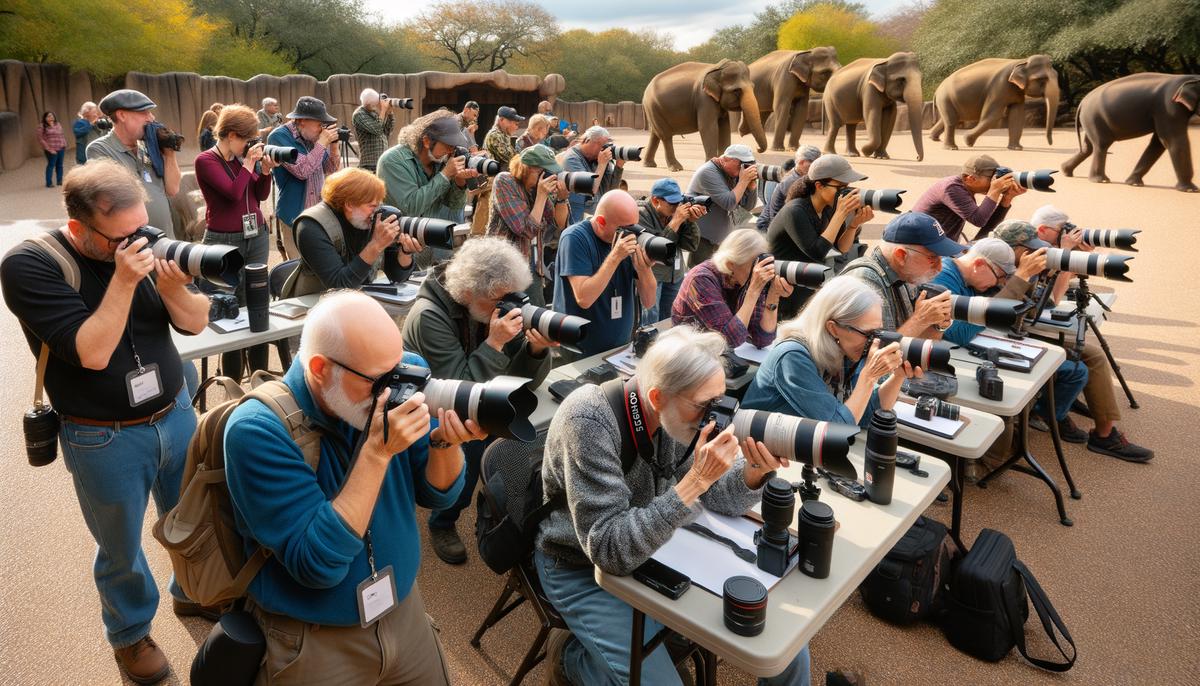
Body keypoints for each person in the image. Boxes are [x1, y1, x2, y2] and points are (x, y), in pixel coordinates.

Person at [0, 161, 211, 684]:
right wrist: (124, 280)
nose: (139, 242)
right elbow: (91, 353)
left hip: (175, 411)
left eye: (142, 228)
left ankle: (192, 592)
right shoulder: (30, 266)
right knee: (120, 546)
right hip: (102, 435)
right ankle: (130, 634)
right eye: (122, 237)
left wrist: (170, 286)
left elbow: (194, 320)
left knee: (193, 517)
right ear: (79, 228)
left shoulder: (139, 241)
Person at [224, 291, 485, 685]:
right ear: (319, 369)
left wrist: (446, 442)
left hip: (403, 611)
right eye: (380, 380)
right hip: (314, 637)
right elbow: (317, 565)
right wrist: (377, 454)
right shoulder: (257, 430)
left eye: (398, 367)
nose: (394, 388)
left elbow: (437, 496)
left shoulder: (399, 373)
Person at [536, 326, 811, 686]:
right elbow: (607, 549)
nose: (713, 418)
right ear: (657, 396)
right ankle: (572, 659)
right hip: (576, 564)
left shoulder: (676, 414)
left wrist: (755, 472)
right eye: (703, 406)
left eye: (720, 400)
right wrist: (695, 481)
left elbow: (716, 495)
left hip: (654, 549)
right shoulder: (588, 420)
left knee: (789, 649)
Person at [403, 237, 556, 563]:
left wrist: (536, 349)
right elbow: (459, 394)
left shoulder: (489, 305)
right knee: (471, 440)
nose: (508, 307)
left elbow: (522, 382)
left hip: (480, 391)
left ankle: (506, 510)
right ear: (470, 293)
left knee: (528, 431)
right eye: (500, 300)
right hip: (428, 406)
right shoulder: (428, 316)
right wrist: (496, 342)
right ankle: (443, 518)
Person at [994, 216, 1152, 461]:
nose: (1038, 252)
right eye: (1030, 248)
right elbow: (1008, 315)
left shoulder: (1026, 266)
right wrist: (1030, 273)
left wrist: (1064, 264)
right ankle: (1049, 413)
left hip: (1024, 333)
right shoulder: (1000, 267)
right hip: (1010, 340)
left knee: (1094, 354)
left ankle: (1104, 433)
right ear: (1012, 249)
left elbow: (1046, 303)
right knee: (1078, 366)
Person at [930, 238, 1089, 432]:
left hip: (985, 344)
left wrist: (1028, 277)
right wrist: (1018, 279)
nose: (999, 283)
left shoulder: (970, 277)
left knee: (1073, 368)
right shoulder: (942, 278)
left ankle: (1032, 418)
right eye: (1000, 277)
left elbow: (1034, 306)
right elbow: (959, 334)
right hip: (959, 355)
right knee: (1072, 371)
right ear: (979, 264)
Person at [743, 276, 919, 428]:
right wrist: (869, 377)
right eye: (868, 333)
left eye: (878, 332)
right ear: (833, 328)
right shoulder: (793, 356)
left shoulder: (846, 347)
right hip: (757, 454)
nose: (875, 341)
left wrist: (898, 376)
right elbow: (837, 428)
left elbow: (865, 415)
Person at [193, 104, 278, 380]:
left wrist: (265, 171)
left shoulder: (242, 160)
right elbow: (232, 192)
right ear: (230, 135)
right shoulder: (206, 161)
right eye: (245, 139)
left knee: (256, 307)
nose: (249, 145)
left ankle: (260, 378)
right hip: (223, 242)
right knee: (231, 309)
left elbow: (259, 195)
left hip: (256, 237)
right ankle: (232, 382)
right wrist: (250, 163)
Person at [553, 190, 658, 360]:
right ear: (601, 221)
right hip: (581, 350)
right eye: (624, 228)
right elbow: (584, 298)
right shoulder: (574, 238)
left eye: (635, 226)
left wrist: (644, 268)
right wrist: (615, 257)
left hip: (622, 349)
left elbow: (649, 301)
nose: (632, 233)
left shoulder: (628, 240)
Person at [283, 167, 418, 297]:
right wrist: (375, 245)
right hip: (311, 308)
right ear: (349, 204)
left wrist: (405, 253)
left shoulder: (368, 219)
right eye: (372, 206)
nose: (377, 211)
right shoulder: (311, 225)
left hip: (357, 303)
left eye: (379, 205)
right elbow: (340, 286)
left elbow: (397, 277)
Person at [767, 154, 873, 318]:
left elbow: (839, 249)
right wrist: (841, 214)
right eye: (840, 188)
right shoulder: (796, 210)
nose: (846, 193)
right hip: (783, 289)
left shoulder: (828, 208)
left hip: (807, 282)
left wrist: (853, 225)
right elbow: (818, 252)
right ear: (819, 186)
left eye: (848, 187)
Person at [377, 111, 478, 264]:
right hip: (403, 250)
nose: (451, 151)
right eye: (448, 145)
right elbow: (411, 207)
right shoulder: (392, 161)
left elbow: (454, 206)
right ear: (426, 141)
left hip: (435, 247)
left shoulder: (441, 161)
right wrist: (445, 175)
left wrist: (459, 182)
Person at [842, 212, 960, 338]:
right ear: (901, 256)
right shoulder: (864, 281)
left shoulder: (907, 276)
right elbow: (874, 355)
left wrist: (937, 324)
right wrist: (919, 320)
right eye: (932, 258)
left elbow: (920, 350)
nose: (939, 268)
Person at [87, 89, 182, 239]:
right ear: (122, 115)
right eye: (145, 112)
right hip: (136, 245)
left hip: (166, 239)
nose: (152, 118)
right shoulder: (99, 149)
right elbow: (115, 198)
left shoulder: (149, 146)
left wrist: (169, 153)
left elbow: (173, 189)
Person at [672, 228, 791, 348]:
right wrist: (753, 291)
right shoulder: (701, 279)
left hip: (715, 354)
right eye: (754, 264)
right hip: (688, 352)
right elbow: (729, 340)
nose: (758, 270)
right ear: (731, 264)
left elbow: (762, 339)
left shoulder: (746, 279)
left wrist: (773, 295)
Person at [486, 145, 569, 306]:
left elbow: (560, 223)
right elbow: (526, 230)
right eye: (542, 172)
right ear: (527, 168)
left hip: (533, 267)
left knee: (535, 323)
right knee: (509, 319)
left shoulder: (536, 189)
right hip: (504, 269)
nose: (546, 177)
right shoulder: (505, 181)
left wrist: (562, 198)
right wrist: (542, 195)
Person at [267, 96, 342, 259]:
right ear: (301, 121)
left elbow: (331, 170)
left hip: (319, 215)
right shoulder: (279, 138)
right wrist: (322, 143)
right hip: (294, 216)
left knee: (320, 268)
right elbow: (302, 171)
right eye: (319, 124)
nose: (323, 129)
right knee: (297, 269)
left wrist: (334, 147)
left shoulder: (313, 137)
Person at [911, 154, 1025, 242]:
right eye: (992, 179)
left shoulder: (964, 189)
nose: (995, 183)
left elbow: (987, 229)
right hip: (920, 246)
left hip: (939, 244)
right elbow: (979, 220)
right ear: (969, 178)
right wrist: (994, 190)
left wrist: (1007, 198)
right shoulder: (952, 188)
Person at [636, 178, 703, 321]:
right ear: (656, 201)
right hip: (654, 276)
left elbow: (691, 245)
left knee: (671, 318)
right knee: (650, 320)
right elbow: (655, 250)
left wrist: (691, 222)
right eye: (672, 203)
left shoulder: (675, 213)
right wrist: (675, 222)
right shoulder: (641, 214)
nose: (676, 207)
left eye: (679, 202)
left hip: (675, 276)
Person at [687, 144, 760, 267]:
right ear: (728, 160)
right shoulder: (708, 172)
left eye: (748, 164)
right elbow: (729, 203)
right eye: (742, 164)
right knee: (700, 277)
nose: (744, 168)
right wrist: (743, 181)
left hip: (721, 237)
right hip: (703, 237)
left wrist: (751, 186)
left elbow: (747, 207)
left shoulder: (733, 173)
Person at [562, 125, 626, 223]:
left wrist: (619, 167)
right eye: (601, 145)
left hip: (598, 216)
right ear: (587, 140)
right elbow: (589, 189)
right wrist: (602, 165)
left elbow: (610, 191)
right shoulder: (571, 159)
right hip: (579, 219)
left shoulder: (598, 159)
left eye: (606, 146)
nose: (604, 150)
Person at [757, 144, 821, 231]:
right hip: (768, 226)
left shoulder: (799, 174)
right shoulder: (792, 181)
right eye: (814, 164)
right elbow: (780, 215)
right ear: (802, 162)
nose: (817, 167)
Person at [352, 88, 395, 172]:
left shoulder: (373, 113)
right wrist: (383, 110)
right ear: (367, 103)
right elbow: (377, 129)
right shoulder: (359, 114)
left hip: (382, 161)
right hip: (370, 164)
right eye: (373, 104)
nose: (376, 105)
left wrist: (389, 113)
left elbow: (387, 131)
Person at [38, 111, 67, 188]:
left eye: (52, 116)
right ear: (45, 118)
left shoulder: (58, 124)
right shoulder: (42, 126)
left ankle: (59, 181)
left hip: (61, 147)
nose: (51, 117)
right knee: (51, 165)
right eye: (48, 116)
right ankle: (49, 183)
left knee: (60, 165)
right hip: (51, 150)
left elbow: (61, 135)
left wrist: (64, 144)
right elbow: (41, 139)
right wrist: (49, 149)